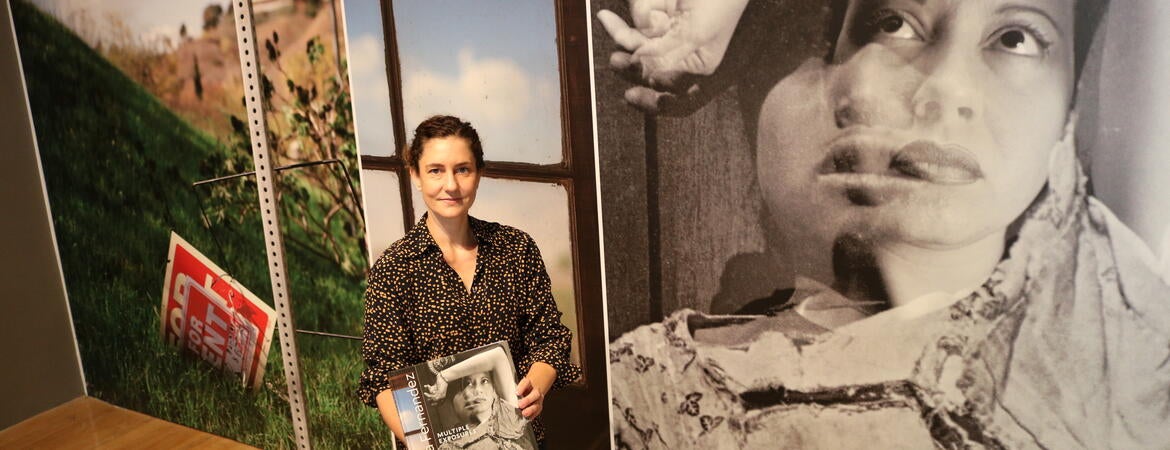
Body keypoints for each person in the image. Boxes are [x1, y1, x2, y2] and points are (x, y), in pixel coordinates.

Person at [602, 0, 1170, 448]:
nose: (946, 88)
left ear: (1072, 103)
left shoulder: (1121, 317)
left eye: (1016, 38)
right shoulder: (654, 389)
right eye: (893, 23)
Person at [356, 115, 580, 448]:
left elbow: (549, 338)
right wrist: (427, 445)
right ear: (415, 175)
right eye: (435, 170)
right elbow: (384, 379)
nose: (451, 185)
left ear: (479, 174)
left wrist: (536, 387)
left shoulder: (516, 249)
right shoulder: (392, 270)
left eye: (463, 169)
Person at [423, 346, 538, 450]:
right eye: (465, 385)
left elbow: (497, 356)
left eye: (484, 381)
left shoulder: (507, 418)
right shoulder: (448, 447)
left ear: (495, 390)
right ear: (451, 399)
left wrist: (444, 377)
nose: (477, 390)